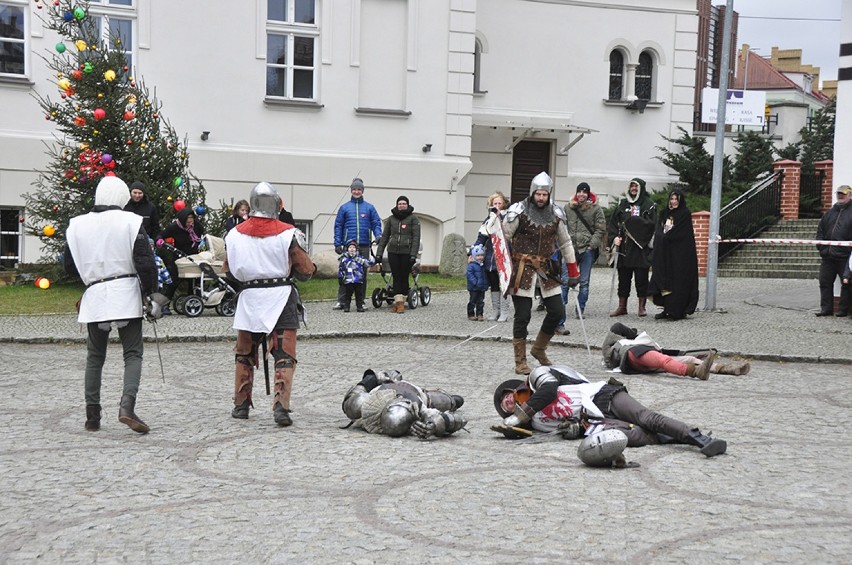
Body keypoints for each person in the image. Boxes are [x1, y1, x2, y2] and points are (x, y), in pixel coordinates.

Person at [63, 176, 158, 434]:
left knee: (95, 356)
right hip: (125, 293)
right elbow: (146, 262)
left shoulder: (77, 225)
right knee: (133, 353)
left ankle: (92, 416)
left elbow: (69, 266)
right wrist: (150, 293)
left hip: (95, 294)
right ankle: (127, 407)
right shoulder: (131, 222)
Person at [224, 182, 316, 427]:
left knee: (245, 353)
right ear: (276, 204)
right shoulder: (289, 233)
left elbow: (229, 271)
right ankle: (281, 408)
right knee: (284, 355)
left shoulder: (234, 233)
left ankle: (241, 405)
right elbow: (306, 271)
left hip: (249, 299)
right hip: (281, 297)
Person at [493, 365, 727, 457]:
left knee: (646, 417)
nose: (509, 404)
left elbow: (550, 391)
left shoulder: (537, 377)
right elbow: (564, 429)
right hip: (593, 421)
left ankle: (699, 438)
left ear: (514, 389)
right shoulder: (537, 424)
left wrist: (520, 415)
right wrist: (574, 429)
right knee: (630, 436)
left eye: (507, 398)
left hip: (601, 396)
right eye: (505, 408)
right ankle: (670, 435)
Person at [502, 172, 579, 375]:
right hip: (522, 269)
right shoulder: (518, 211)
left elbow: (565, 243)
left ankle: (539, 349)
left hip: (546, 269)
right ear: (532, 193)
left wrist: (573, 271)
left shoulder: (556, 213)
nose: (541, 198)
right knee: (523, 316)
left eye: (545, 194)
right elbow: (503, 238)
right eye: (538, 194)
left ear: (549, 194)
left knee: (557, 312)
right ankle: (520, 361)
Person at [342, 369, 467, 438]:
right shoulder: (420, 409)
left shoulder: (362, 403)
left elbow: (359, 388)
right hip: (423, 397)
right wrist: (435, 425)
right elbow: (458, 420)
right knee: (452, 402)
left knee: (395, 373)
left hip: (392, 383)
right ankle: (452, 401)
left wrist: (378, 378)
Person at [602, 322, 750, 379]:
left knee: (689, 360)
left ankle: (725, 369)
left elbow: (663, 351)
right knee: (664, 360)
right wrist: (635, 335)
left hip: (637, 357)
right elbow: (620, 329)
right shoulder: (616, 344)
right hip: (634, 354)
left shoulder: (623, 345)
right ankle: (695, 372)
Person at [647, 188, 699, 320]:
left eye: (676, 199)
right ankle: (666, 309)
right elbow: (660, 230)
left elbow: (682, 233)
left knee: (677, 282)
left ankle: (676, 311)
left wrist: (667, 236)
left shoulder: (685, 213)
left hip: (679, 255)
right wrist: (662, 236)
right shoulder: (665, 213)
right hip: (665, 253)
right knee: (665, 280)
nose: (674, 201)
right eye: (672, 199)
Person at [607, 177, 656, 317]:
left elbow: (651, 225)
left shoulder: (649, 205)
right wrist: (614, 237)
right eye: (632, 186)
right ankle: (622, 306)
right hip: (624, 248)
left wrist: (633, 222)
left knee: (641, 280)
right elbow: (613, 223)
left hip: (640, 250)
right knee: (623, 280)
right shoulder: (622, 204)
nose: (633, 189)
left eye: (636, 187)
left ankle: (641, 307)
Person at [333, 178, 382, 310]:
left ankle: (361, 301)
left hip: (364, 245)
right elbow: (338, 226)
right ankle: (342, 300)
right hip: (348, 246)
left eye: (359, 189)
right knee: (345, 273)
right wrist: (338, 243)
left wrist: (378, 235)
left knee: (362, 275)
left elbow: (376, 223)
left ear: (362, 191)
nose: (356, 191)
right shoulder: (344, 208)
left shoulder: (369, 208)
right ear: (351, 190)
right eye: (354, 189)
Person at [561, 181, 605, 322]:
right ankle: (560, 309)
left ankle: (580, 309)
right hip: (570, 249)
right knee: (565, 280)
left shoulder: (596, 209)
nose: (581, 194)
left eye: (584, 192)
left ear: (588, 194)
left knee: (584, 282)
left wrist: (592, 245)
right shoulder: (568, 208)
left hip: (586, 250)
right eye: (579, 191)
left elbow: (600, 229)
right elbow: (561, 226)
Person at [375, 195, 421, 314]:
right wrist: (379, 253)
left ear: (407, 205)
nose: (401, 205)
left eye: (404, 203)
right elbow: (385, 237)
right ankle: (398, 303)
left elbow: (416, 238)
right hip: (393, 251)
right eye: (399, 204)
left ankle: (402, 303)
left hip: (407, 252)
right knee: (396, 276)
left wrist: (413, 255)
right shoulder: (391, 219)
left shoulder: (413, 219)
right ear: (397, 205)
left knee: (403, 276)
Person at [156, 206, 206, 312]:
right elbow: (161, 234)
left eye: (191, 222)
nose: (190, 225)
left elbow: (203, 235)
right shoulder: (174, 227)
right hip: (179, 256)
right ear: (182, 221)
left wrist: (202, 242)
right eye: (187, 223)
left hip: (194, 256)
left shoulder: (196, 226)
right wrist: (160, 240)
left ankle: (192, 301)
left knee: (194, 279)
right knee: (174, 280)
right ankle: (165, 304)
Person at [473, 191, 511, 322]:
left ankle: (505, 312)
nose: (498, 205)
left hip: (505, 256)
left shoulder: (509, 218)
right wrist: (474, 249)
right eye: (495, 203)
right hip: (490, 257)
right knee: (494, 284)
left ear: (504, 204)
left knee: (504, 284)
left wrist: (499, 217)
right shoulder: (488, 220)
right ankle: (496, 311)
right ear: (491, 204)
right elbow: (482, 237)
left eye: (500, 203)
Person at [815, 184, 852, 317]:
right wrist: (822, 247)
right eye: (839, 194)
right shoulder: (829, 213)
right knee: (824, 282)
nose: (840, 196)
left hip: (845, 256)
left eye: (843, 194)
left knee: (847, 284)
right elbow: (820, 232)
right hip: (828, 256)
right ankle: (826, 309)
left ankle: (843, 310)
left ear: (850, 195)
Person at [338, 240, 375, 312]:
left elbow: (367, 263)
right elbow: (341, 269)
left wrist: (374, 260)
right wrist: (340, 277)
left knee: (359, 294)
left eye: (353, 247)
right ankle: (347, 306)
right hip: (348, 280)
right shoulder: (344, 259)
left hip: (358, 280)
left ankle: (359, 306)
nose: (352, 249)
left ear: (356, 249)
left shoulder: (359, 259)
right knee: (348, 294)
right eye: (350, 247)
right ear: (347, 249)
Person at [466, 244, 489, 321]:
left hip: (481, 287)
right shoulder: (471, 265)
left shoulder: (483, 265)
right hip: (474, 287)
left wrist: (486, 284)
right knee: (472, 301)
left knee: (481, 302)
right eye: (478, 255)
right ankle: (471, 314)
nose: (480, 257)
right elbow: (470, 275)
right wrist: (475, 282)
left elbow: (485, 276)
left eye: (482, 255)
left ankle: (480, 314)